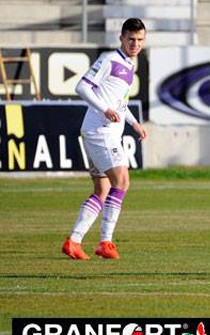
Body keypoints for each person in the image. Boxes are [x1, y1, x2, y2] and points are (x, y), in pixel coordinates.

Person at [62, 18, 148, 260]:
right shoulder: (109, 60)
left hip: (101, 133)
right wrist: (104, 109)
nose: (135, 44)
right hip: (100, 132)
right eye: (131, 39)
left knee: (103, 189)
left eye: (140, 39)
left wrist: (133, 123)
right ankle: (105, 242)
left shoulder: (129, 64)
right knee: (122, 181)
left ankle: (74, 241)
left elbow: (119, 102)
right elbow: (81, 87)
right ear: (121, 38)